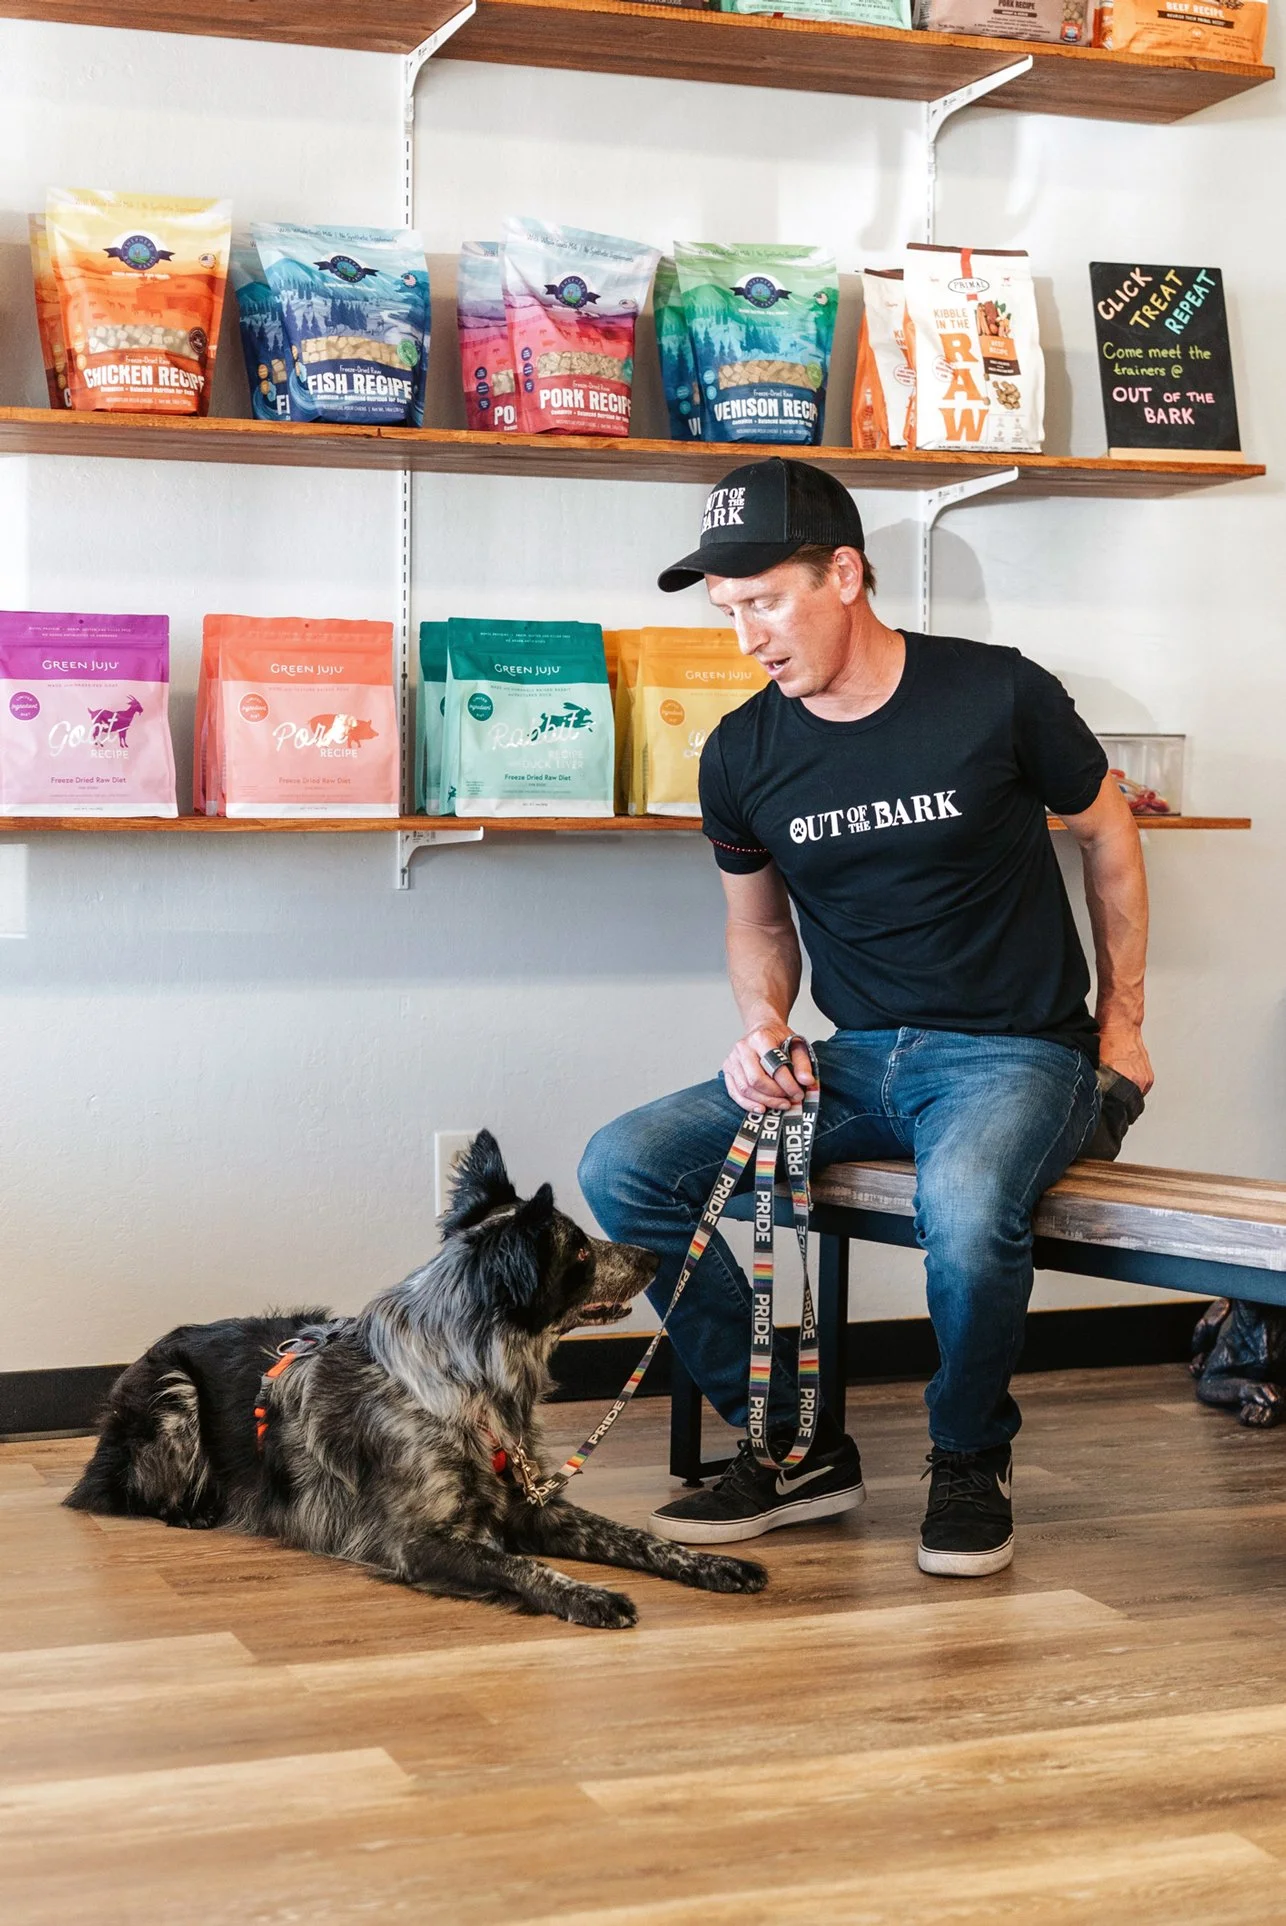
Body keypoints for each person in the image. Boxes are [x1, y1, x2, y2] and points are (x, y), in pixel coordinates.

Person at [579, 456, 1153, 1577]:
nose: (744, 633)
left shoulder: (996, 692)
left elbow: (1107, 834)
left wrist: (1122, 1026)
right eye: (725, 610)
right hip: (854, 1060)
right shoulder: (742, 750)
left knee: (966, 1197)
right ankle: (792, 1446)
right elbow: (758, 929)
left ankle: (965, 1458)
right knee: (626, 1164)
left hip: (1013, 1055)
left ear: (843, 573)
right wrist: (761, 1031)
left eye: (763, 601)